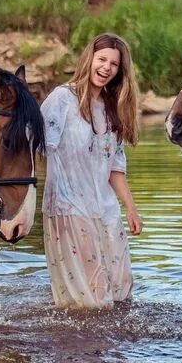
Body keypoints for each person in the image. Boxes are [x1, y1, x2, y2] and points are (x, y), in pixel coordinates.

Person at [40, 33, 142, 309]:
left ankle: (114, 349)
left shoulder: (112, 109)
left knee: (121, 292)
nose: (107, 67)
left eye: (114, 64)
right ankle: (83, 349)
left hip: (106, 211)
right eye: (102, 59)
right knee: (94, 300)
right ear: (89, 59)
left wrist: (131, 209)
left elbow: (115, 168)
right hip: (69, 208)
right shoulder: (62, 99)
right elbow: (31, 145)